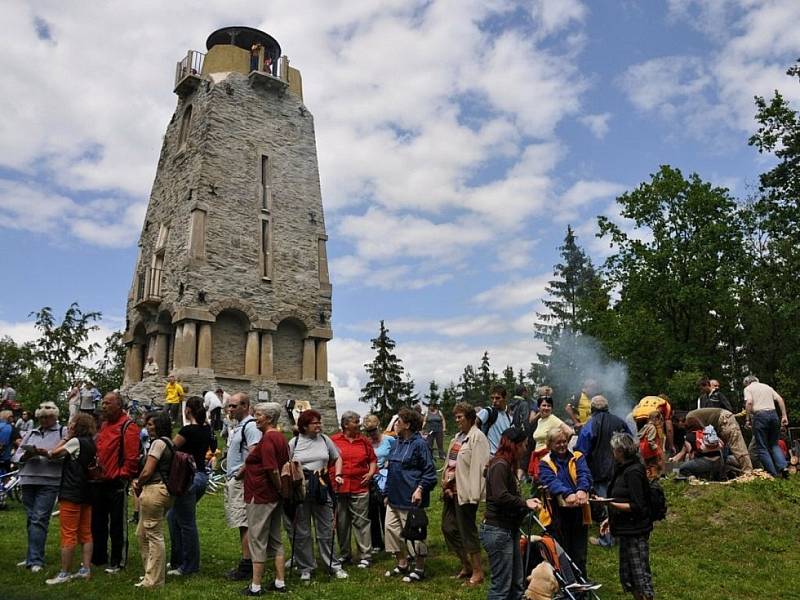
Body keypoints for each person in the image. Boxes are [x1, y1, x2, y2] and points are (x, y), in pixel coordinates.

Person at [284, 409, 348, 581]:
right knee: (302, 530)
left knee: (326, 529)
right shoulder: (294, 442)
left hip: (321, 487)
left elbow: (338, 458)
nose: (319, 425)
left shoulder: (325, 440)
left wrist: (339, 474)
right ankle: (306, 567)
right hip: (301, 490)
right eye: (315, 422)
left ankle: (333, 565)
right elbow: (286, 463)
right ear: (305, 426)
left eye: (319, 422)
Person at [480, 426, 542, 600]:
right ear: (515, 445)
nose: (525, 449)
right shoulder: (500, 464)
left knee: (516, 584)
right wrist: (525, 502)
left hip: (508, 529)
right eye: (524, 445)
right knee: (501, 588)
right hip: (498, 531)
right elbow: (500, 496)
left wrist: (527, 503)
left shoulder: (507, 465)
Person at [383, 407, 437, 583]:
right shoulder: (397, 442)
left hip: (411, 498)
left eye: (398, 421)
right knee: (391, 531)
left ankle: (419, 568)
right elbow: (391, 469)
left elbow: (430, 472)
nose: (395, 424)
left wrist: (420, 488)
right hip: (394, 497)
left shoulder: (420, 444)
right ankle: (402, 563)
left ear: (407, 425)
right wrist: (386, 493)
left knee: (415, 535)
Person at [42, 413, 97, 585]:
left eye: (71, 423)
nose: (69, 425)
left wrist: (66, 438)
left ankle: (64, 573)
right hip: (86, 491)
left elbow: (53, 454)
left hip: (71, 490)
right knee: (86, 532)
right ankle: (85, 569)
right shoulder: (91, 443)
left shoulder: (75, 442)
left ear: (77, 425)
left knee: (68, 533)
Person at [241, 402, 290, 595]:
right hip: (273, 496)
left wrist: (279, 489)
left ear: (269, 418)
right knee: (275, 538)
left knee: (257, 539)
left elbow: (272, 468)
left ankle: (256, 585)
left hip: (261, 494)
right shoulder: (280, 438)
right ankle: (280, 581)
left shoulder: (269, 439)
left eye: (259, 415)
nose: (255, 418)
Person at [13, 402, 67, 572]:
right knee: (31, 519)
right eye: (41, 417)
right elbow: (16, 457)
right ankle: (32, 555)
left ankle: (36, 560)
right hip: (28, 478)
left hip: (49, 480)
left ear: (55, 417)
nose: (44, 420)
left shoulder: (63, 432)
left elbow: (66, 455)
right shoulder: (31, 432)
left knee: (39, 518)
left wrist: (48, 454)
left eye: (47, 417)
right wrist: (27, 455)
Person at [600, 432, 654, 600]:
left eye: (614, 449)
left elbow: (637, 505)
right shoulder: (622, 469)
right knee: (629, 575)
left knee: (640, 577)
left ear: (620, 451)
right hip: (625, 529)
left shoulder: (633, 472)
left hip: (636, 531)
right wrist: (611, 518)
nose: (612, 452)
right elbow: (622, 498)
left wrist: (609, 504)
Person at [91, 391, 141, 573]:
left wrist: (123, 474)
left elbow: (132, 456)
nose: (104, 406)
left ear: (119, 406)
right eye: (103, 403)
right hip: (99, 480)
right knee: (98, 521)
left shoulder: (128, 426)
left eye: (108, 403)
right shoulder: (103, 425)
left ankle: (117, 560)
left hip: (116, 482)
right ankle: (98, 557)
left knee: (118, 524)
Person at [441, 402, 490, 587]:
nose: (457, 420)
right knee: (448, 528)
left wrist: (475, 493)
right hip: (450, 491)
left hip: (465, 492)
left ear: (469, 418)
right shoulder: (457, 438)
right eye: (456, 417)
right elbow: (449, 463)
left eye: (460, 417)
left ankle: (478, 572)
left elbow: (479, 467)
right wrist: (445, 483)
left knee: (467, 530)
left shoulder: (477, 438)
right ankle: (466, 564)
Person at [575, 395, 630, 547]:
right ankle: (622, 535)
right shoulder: (620, 422)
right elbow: (630, 444)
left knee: (606, 504)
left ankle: (607, 540)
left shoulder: (590, 424)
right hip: (620, 469)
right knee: (620, 501)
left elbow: (581, 451)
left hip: (600, 471)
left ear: (592, 409)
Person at [167, 396, 212, 576]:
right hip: (201, 476)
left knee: (186, 522)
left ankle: (189, 565)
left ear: (187, 411)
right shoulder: (206, 429)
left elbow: (170, 448)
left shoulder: (187, 431)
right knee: (173, 517)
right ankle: (178, 560)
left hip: (188, 478)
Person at [539, 428, 592, 580]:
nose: (562, 445)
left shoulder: (577, 456)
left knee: (579, 553)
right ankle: (567, 587)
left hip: (578, 512)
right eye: (558, 443)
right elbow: (550, 480)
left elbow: (584, 474)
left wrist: (582, 490)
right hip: (557, 514)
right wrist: (567, 493)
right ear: (550, 445)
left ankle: (581, 584)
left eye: (564, 441)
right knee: (562, 554)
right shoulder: (545, 462)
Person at [132, 412, 174, 588]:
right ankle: (150, 573)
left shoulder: (158, 443)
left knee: (153, 534)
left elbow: (148, 470)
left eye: (150, 424)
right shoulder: (171, 443)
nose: (147, 427)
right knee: (141, 533)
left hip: (154, 489)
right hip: (164, 490)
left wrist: (138, 483)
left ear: (159, 425)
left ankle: (155, 580)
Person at [331, 411, 377, 569]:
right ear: (345, 425)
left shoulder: (364, 441)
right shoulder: (334, 440)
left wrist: (370, 473)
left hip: (360, 487)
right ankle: (345, 554)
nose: (359, 424)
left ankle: (366, 555)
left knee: (361, 521)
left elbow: (372, 460)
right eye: (356, 422)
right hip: (340, 488)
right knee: (342, 523)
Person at [224, 392, 263, 581]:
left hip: (242, 481)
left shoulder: (250, 426)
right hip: (236, 479)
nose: (230, 409)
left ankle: (247, 564)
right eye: (229, 406)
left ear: (246, 406)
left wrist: (239, 474)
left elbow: (254, 454)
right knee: (241, 523)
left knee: (244, 523)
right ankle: (247, 561)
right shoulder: (239, 426)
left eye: (234, 406)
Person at [743, 375, 789, 478]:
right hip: (773, 415)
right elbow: (780, 399)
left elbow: (749, 402)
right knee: (774, 445)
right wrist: (784, 415)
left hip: (760, 416)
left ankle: (773, 474)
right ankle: (783, 467)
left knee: (762, 447)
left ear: (747, 383)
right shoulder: (767, 386)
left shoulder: (748, 389)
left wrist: (747, 419)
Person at [364, 413, 396, 553]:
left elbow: (396, 454)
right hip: (371, 480)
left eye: (374, 430)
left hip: (386, 479)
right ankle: (376, 543)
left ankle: (390, 542)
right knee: (371, 512)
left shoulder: (389, 440)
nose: (372, 434)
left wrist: (390, 463)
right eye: (369, 431)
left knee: (386, 511)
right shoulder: (366, 442)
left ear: (379, 427)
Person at [685, 407, 752, 473]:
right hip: (721, 422)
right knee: (724, 447)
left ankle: (748, 472)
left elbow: (702, 434)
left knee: (738, 447)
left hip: (724, 419)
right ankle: (723, 472)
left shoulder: (690, 418)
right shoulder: (695, 418)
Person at [527, 390, 574, 482]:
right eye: (544, 405)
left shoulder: (553, 419)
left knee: (547, 483)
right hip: (538, 457)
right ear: (538, 407)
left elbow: (569, 432)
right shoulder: (540, 420)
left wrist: (559, 447)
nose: (546, 408)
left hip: (547, 457)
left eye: (549, 406)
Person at [477, 385, 514, 455]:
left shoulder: (509, 418)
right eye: (492, 398)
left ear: (505, 398)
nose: (494, 401)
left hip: (504, 457)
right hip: (490, 456)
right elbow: (474, 423)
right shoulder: (488, 411)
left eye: (497, 398)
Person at [638, 411, 665, 481]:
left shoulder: (646, 426)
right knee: (654, 466)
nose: (660, 422)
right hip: (651, 452)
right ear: (656, 419)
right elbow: (650, 440)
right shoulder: (652, 427)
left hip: (644, 452)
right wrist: (657, 449)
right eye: (660, 420)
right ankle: (653, 481)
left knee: (647, 467)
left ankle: (647, 479)